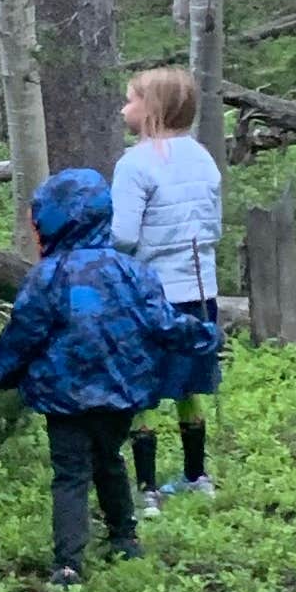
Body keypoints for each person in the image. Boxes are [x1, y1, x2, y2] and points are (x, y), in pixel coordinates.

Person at [0, 165, 190, 588]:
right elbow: (161, 323)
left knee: (71, 472)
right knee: (110, 459)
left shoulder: (47, 277)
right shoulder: (132, 271)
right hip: (121, 391)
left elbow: (25, 331)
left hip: (64, 397)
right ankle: (124, 536)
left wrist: (0, 373)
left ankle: (68, 564)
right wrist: (203, 337)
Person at [110, 63, 224, 503]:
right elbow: (212, 225)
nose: (125, 108)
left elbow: (123, 234)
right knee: (190, 383)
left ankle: (147, 487)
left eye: (132, 100)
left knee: (142, 388)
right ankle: (198, 476)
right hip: (200, 290)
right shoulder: (202, 156)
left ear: (152, 109)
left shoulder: (134, 164)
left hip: (151, 293)